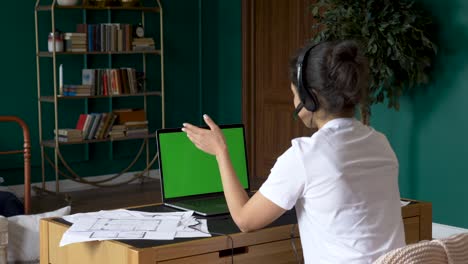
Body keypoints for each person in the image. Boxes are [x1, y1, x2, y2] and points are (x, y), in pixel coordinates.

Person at [182, 40, 405, 263]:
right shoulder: (380, 143)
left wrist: (221, 151)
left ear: (310, 98)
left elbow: (244, 220)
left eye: (294, 94)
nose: (294, 101)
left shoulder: (306, 156)